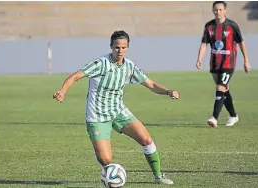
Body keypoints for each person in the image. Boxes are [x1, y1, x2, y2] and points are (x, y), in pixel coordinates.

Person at [53, 30, 179, 184]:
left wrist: (168, 91)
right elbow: (75, 76)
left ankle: (158, 176)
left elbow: (151, 84)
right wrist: (63, 91)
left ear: (127, 48)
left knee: (146, 139)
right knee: (106, 159)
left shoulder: (129, 66)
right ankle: (104, 159)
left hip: (118, 111)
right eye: (117, 47)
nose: (120, 51)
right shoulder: (101, 64)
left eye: (123, 48)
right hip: (97, 115)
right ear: (111, 47)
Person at [196, 1, 251, 127]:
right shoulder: (209, 26)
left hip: (229, 63)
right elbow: (204, 43)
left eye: (220, 10)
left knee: (220, 88)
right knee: (224, 90)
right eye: (215, 10)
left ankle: (214, 118)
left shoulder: (232, 26)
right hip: (215, 64)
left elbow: (241, 43)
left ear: (225, 11)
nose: (218, 12)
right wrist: (199, 58)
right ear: (213, 10)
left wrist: (246, 60)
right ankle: (233, 115)